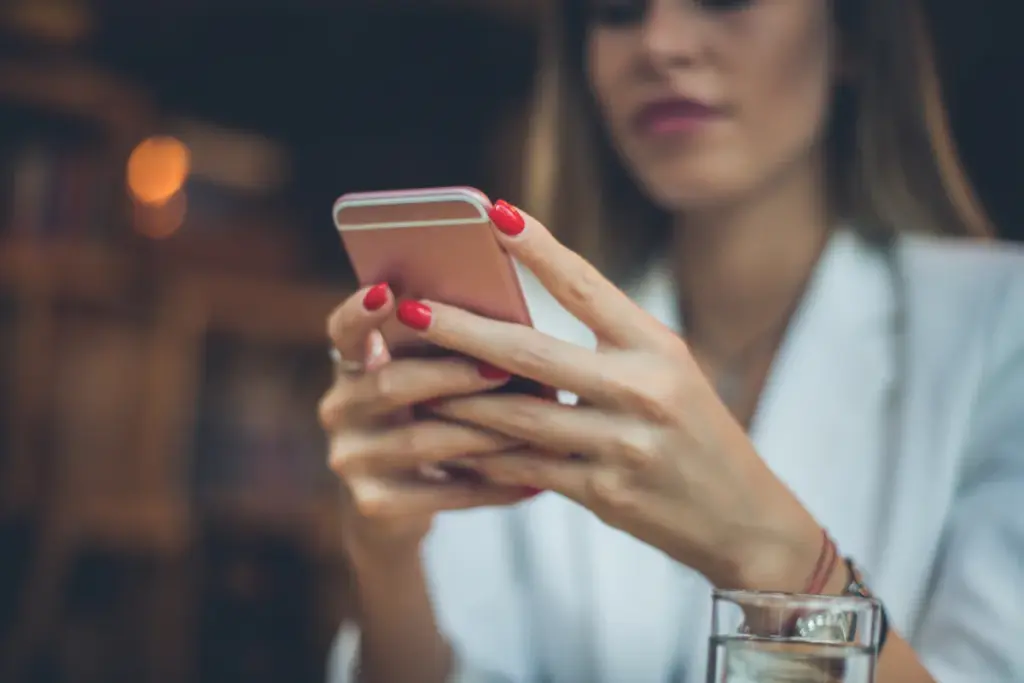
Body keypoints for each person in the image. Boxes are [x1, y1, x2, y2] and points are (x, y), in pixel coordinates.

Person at [321, 0, 1024, 681]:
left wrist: (770, 553)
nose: (660, 43)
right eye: (618, 9)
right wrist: (384, 555)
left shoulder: (1000, 326)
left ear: (850, 33)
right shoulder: (517, 339)